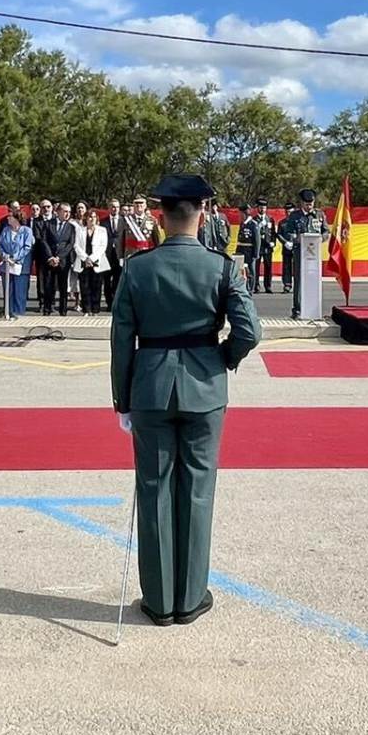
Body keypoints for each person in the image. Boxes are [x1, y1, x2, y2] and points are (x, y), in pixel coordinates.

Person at [109, 174, 260, 626]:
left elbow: (120, 341)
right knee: (196, 491)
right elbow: (249, 331)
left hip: (151, 388)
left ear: (161, 216)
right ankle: (190, 598)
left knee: (155, 490)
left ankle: (159, 602)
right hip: (205, 386)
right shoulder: (222, 266)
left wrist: (123, 400)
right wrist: (220, 359)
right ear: (203, 214)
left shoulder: (138, 267)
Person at [284, 189, 328, 320]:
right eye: (307, 204)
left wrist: (322, 237)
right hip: (300, 253)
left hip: (315, 254)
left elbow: (326, 231)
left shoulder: (319, 215)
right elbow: (288, 232)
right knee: (299, 280)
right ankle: (297, 309)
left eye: (311, 203)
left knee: (314, 280)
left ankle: (314, 309)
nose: (309, 206)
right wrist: (297, 238)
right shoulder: (295, 216)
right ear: (301, 203)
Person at [35, 202, 76, 316]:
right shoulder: (48, 224)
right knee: (49, 285)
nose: (67, 214)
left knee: (63, 287)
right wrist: (50, 257)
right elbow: (44, 240)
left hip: (63, 261)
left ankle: (63, 310)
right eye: (65, 211)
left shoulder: (71, 227)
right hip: (49, 260)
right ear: (58, 212)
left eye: (69, 212)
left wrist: (59, 257)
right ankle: (47, 309)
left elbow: (70, 244)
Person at [0, 212, 33, 319]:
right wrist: (5, 256)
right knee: (8, 290)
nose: (8, 218)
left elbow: (27, 247)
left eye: (10, 217)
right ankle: (8, 312)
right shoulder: (6, 230)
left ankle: (19, 313)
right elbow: (0, 244)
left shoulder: (27, 231)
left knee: (20, 292)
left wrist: (14, 258)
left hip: (20, 265)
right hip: (6, 265)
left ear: (16, 219)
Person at [76, 208, 111, 314]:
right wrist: (86, 258)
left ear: (97, 219)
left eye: (94, 217)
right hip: (83, 261)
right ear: (86, 218)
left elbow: (103, 246)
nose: (92, 219)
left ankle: (95, 309)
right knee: (84, 286)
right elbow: (76, 246)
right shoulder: (80, 230)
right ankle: (86, 309)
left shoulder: (102, 230)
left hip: (97, 261)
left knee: (96, 286)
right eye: (90, 217)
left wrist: (91, 258)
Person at [240, 199, 273, 292]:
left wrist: (272, 242)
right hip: (258, 246)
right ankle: (256, 285)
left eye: (264, 207)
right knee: (256, 268)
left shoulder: (269, 219)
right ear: (258, 208)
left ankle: (268, 286)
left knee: (268, 267)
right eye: (261, 207)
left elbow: (272, 232)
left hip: (267, 246)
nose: (262, 209)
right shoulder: (254, 220)